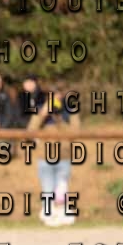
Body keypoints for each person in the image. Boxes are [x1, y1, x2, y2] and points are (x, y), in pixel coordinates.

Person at [27, 92, 79, 226]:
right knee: (48, 188)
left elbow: (75, 133)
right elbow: (30, 131)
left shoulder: (69, 111)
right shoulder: (40, 110)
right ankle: (49, 213)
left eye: (59, 98)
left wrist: (59, 119)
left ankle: (62, 213)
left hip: (64, 156)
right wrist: (42, 114)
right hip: (45, 157)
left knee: (62, 188)